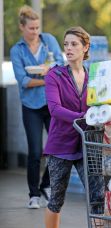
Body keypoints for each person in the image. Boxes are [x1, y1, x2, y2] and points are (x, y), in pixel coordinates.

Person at [44, 26, 104, 228]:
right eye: (66, 44)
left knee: (97, 197)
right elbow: (54, 109)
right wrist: (83, 117)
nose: (68, 48)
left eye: (74, 44)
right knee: (56, 199)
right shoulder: (55, 75)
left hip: (86, 143)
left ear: (85, 47)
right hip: (60, 145)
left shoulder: (95, 78)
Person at [10, 5, 64, 209]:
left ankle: (46, 185)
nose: (35, 32)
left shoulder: (48, 40)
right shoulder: (17, 50)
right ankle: (33, 195)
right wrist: (48, 77)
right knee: (35, 152)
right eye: (31, 28)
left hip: (52, 103)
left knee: (57, 148)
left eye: (37, 27)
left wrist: (46, 74)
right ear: (22, 27)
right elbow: (23, 80)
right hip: (30, 106)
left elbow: (60, 65)